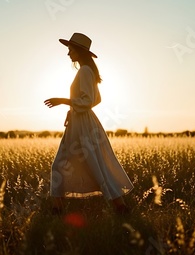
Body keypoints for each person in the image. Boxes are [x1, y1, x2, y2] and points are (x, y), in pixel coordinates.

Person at [44, 33, 134, 215]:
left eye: (70, 49)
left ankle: (119, 207)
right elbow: (96, 99)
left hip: (83, 124)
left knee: (72, 165)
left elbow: (88, 100)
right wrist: (73, 110)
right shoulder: (87, 70)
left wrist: (63, 100)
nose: (68, 53)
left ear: (79, 51)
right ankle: (58, 209)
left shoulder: (84, 71)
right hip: (81, 121)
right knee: (89, 164)